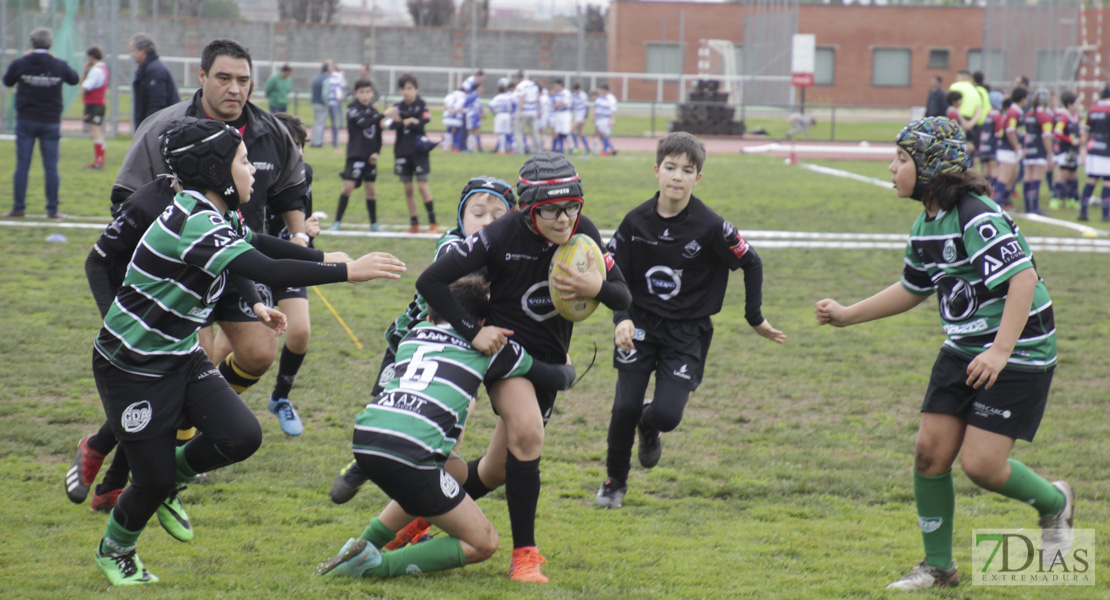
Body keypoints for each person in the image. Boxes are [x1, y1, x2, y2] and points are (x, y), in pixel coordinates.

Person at [90, 117, 406, 586]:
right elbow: (262, 265)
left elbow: (255, 241)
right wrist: (347, 273)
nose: (253, 171)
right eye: (243, 161)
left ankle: (168, 484)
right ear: (216, 170)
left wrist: (327, 257)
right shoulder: (192, 218)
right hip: (131, 366)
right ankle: (115, 549)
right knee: (149, 482)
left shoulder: (218, 210)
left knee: (241, 436)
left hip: (179, 354)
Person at [815, 117, 1073, 590]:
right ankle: (939, 567)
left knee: (981, 466)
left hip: (1019, 350)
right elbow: (914, 287)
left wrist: (998, 353)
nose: (891, 168)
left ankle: (1055, 504)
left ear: (932, 168)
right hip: (962, 348)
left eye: (901, 160)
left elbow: (1023, 279)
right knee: (929, 455)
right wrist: (848, 315)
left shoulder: (976, 213)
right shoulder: (925, 223)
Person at [415, 152, 632, 583]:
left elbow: (624, 297)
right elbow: (431, 282)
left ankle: (420, 516)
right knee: (529, 431)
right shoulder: (499, 235)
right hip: (507, 356)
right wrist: (472, 332)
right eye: (551, 210)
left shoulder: (583, 234)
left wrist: (598, 287)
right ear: (528, 209)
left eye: (572, 207)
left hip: (549, 359)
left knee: (498, 469)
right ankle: (525, 556)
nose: (563, 219)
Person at [111, 38, 312, 435]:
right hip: (181, 266)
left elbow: (291, 192)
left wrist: (301, 236)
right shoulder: (163, 127)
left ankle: (190, 416)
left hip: (239, 259)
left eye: (243, 80)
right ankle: (181, 442)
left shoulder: (271, 132)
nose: (234, 89)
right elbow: (125, 199)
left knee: (258, 353)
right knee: (193, 354)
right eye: (223, 78)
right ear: (201, 77)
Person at [316, 274, 576, 581]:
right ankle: (375, 566)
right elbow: (556, 378)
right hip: (409, 455)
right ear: (482, 321)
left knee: (455, 470)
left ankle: (365, 543)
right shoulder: (489, 346)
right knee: (484, 543)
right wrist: (567, 364)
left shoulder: (415, 332)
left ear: (431, 314)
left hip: (366, 439)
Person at [596, 132, 786, 509]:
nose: (677, 177)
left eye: (687, 170)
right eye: (670, 167)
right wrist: (621, 318)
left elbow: (751, 261)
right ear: (656, 171)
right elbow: (611, 270)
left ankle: (649, 428)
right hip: (640, 325)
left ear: (698, 178)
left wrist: (755, 318)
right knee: (624, 407)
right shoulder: (635, 222)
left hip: (687, 332)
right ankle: (614, 482)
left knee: (666, 415)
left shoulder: (711, 226)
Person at [330, 176, 519, 505]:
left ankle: (421, 501)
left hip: (461, 354)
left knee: (451, 427)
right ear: (461, 217)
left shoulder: (512, 254)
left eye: (498, 215)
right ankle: (362, 465)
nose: (487, 221)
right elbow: (463, 278)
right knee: (387, 405)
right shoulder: (452, 245)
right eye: (478, 213)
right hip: (408, 342)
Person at [2, 27, 78, 219]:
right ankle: (53, 210)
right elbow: (74, 79)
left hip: (26, 120)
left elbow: (7, 81)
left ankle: (18, 207)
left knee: (22, 166)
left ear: (31, 43)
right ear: (50, 44)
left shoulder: (22, 62)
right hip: (50, 121)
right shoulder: (58, 64)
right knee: (51, 167)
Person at [330, 79, 383, 232]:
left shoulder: (374, 112)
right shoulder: (352, 109)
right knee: (348, 188)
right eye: (361, 92)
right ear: (355, 94)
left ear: (372, 94)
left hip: (370, 158)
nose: (365, 95)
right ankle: (337, 222)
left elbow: (379, 137)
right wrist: (383, 115)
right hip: (355, 155)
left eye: (367, 92)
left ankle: (374, 224)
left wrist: (376, 153)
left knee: (371, 190)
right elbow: (363, 123)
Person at [389, 73, 439, 234]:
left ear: (416, 89)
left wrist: (408, 122)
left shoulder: (421, 105)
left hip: (419, 152)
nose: (406, 92)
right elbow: (392, 125)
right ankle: (414, 224)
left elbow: (423, 122)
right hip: (402, 151)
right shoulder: (397, 107)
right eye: (403, 89)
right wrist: (405, 121)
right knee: (408, 189)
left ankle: (433, 223)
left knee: (422, 186)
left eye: (409, 88)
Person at [129, 33, 177, 128]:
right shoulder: (146, 69)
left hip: (157, 128)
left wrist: (148, 129)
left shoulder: (154, 70)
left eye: (133, 50)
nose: (131, 54)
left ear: (142, 51)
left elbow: (157, 105)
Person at [991, 88, 1026, 212]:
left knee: (1013, 175)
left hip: (1010, 149)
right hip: (1007, 148)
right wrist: (1017, 146)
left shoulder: (1016, 111)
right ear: (1023, 99)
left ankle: (1005, 200)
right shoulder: (1014, 112)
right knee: (1005, 176)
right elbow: (1010, 130)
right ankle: (997, 204)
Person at [1078, 84, 1110, 221]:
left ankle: (1083, 212)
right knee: (1107, 182)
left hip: (1093, 149)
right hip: (1107, 150)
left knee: (1091, 179)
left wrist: (1083, 148)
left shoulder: (1092, 109)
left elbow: (1085, 130)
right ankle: (1105, 215)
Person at [1021, 88, 1054, 215]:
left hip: (1029, 148)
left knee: (1027, 176)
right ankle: (1035, 207)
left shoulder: (1029, 114)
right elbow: (1046, 136)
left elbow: (1024, 133)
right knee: (1036, 176)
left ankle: (1027, 207)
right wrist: (1050, 153)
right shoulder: (1045, 116)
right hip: (1039, 149)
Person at [1051, 91, 1080, 210]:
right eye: (1077, 103)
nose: (1079, 105)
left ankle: (1072, 199)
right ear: (1069, 105)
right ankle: (1055, 199)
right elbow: (1057, 133)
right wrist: (1069, 140)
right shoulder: (1064, 117)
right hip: (1065, 151)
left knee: (1073, 175)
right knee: (1061, 175)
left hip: (1073, 151)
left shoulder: (1076, 117)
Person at [82, 45, 109, 170]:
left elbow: (85, 87)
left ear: (91, 57)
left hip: (94, 105)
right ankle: (99, 159)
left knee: (95, 132)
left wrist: (85, 73)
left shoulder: (96, 70)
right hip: (99, 104)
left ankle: (99, 161)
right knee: (97, 132)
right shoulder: (103, 68)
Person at [513, 70, 540, 154]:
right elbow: (538, 98)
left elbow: (522, 98)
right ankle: (538, 150)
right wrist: (539, 110)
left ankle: (520, 151)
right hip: (533, 111)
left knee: (517, 131)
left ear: (518, 78)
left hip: (524, 111)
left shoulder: (521, 86)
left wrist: (520, 111)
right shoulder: (534, 85)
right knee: (534, 131)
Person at [489, 79, 517, 154]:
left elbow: (491, 105)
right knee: (509, 132)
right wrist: (512, 113)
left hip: (500, 114)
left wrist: (495, 113)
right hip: (508, 114)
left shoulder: (497, 97)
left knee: (501, 133)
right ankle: (512, 149)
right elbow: (514, 105)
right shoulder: (509, 97)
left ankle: (502, 149)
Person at [327, 62, 347, 149]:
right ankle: (333, 142)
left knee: (334, 122)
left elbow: (343, 86)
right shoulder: (329, 76)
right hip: (331, 102)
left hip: (332, 102)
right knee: (334, 122)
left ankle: (334, 142)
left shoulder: (336, 76)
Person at [548, 79, 572, 153]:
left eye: (556, 85)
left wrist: (558, 105)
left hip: (564, 114)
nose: (555, 87)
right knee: (557, 132)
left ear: (560, 85)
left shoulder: (566, 93)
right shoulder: (555, 93)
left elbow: (567, 104)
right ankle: (558, 150)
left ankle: (571, 149)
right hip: (557, 114)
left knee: (565, 133)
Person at [310, 61, 330, 148]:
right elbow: (325, 94)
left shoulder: (316, 78)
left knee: (316, 123)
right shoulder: (326, 79)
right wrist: (326, 103)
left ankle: (314, 140)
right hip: (321, 104)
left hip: (315, 103)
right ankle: (317, 142)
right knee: (320, 123)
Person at [594, 84, 618, 155]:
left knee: (604, 134)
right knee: (601, 135)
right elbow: (596, 107)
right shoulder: (600, 97)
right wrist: (594, 116)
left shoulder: (611, 98)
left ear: (605, 90)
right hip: (599, 118)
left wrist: (611, 120)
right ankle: (611, 148)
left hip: (606, 119)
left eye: (602, 90)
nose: (601, 91)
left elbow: (613, 110)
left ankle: (606, 150)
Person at [570, 82, 591, 154]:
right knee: (581, 133)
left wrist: (585, 118)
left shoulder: (583, 95)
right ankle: (588, 149)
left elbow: (587, 107)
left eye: (578, 90)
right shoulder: (573, 95)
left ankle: (576, 147)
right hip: (576, 115)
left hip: (581, 116)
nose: (577, 91)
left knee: (571, 130)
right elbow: (572, 106)